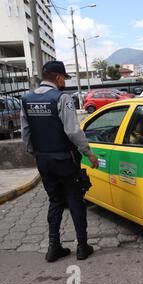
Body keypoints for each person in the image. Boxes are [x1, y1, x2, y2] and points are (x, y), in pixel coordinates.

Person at [21, 61, 99, 263]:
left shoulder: (26, 99)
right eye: (64, 77)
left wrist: (35, 153)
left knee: (55, 201)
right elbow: (73, 131)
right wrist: (89, 153)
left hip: (43, 160)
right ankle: (82, 247)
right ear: (57, 77)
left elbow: (26, 132)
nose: (64, 81)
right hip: (65, 159)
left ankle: (53, 247)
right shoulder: (62, 98)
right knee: (75, 199)